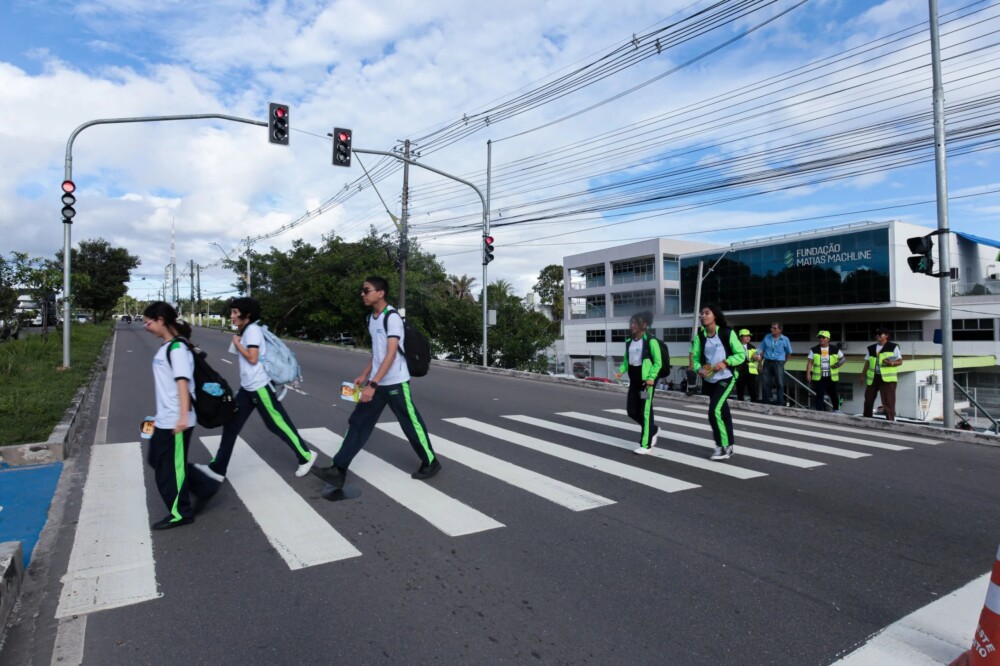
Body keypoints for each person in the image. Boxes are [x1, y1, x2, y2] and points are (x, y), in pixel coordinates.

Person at [312, 277, 439, 496]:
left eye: (366, 290)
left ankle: (431, 461)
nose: (362, 294)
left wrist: (373, 383)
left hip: (396, 382)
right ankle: (338, 469)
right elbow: (379, 353)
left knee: (410, 423)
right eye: (362, 290)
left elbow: (391, 354)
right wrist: (365, 374)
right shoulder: (372, 319)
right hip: (377, 382)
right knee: (358, 422)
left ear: (380, 293)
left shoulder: (392, 318)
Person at [196, 297, 316, 483]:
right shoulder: (245, 332)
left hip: (260, 387)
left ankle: (306, 456)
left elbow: (252, 358)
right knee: (231, 425)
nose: (232, 316)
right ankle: (218, 467)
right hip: (247, 389)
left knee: (277, 423)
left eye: (235, 312)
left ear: (247, 314)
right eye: (232, 312)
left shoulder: (252, 331)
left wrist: (237, 344)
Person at [142, 302, 220, 530]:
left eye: (148, 322)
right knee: (157, 460)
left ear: (160, 320)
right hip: (165, 417)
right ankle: (204, 485)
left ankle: (180, 513)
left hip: (177, 419)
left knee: (169, 470)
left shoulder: (176, 349)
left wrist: (183, 417)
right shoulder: (168, 346)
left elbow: (182, 383)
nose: (146, 326)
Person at [689, 304, 745, 461]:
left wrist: (726, 362)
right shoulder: (700, 336)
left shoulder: (727, 333)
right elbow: (696, 358)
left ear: (715, 316)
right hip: (710, 379)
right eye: (702, 314)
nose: (703, 316)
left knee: (714, 411)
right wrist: (700, 369)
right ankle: (730, 444)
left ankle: (722, 446)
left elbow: (741, 354)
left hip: (726, 377)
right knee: (723, 411)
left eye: (707, 313)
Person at [614, 311, 662, 455]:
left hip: (646, 384)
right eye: (632, 322)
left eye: (635, 322)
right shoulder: (629, 341)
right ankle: (652, 429)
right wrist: (620, 371)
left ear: (644, 325)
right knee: (631, 411)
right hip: (634, 382)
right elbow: (626, 361)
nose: (632, 325)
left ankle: (646, 444)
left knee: (645, 412)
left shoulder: (650, 341)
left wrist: (651, 378)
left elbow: (657, 362)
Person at [862, 327, 903, 422]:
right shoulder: (871, 348)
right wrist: (862, 375)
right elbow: (867, 362)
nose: (878, 336)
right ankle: (866, 418)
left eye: (880, 334)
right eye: (876, 334)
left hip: (887, 378)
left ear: (887, 336)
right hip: (873, 377)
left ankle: (890, 420)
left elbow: (900, 361)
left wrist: (891, 363)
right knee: (868, 399)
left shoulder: (893, 346)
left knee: (888, 400)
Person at [806, 330, 845, 413]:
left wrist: (836, 365)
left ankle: (836, 410)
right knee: (819, 395)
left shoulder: (835, 349)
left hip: (832, 376)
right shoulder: (814, 350)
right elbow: (810, 362)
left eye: (823, 337)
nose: (821, 339)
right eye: (819, 337)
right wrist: (808, 373)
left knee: (833, 394)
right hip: (819, 376)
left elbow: (843, 359)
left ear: (828, 339)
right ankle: (819, 411)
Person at [754, 321, 792, 406]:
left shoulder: (785, 339)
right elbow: (761, 348)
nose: (772, 329)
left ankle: (780, 403)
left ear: (780, 330)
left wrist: (783, 362)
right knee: (766, 383)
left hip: (779, 363)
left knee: (780, 383)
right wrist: (756, 354)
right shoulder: (767, 337)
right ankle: (766, 402)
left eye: (774, 328)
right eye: (771, 328)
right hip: (767, 362)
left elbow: (789, 353)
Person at [733, 328, 759, 402]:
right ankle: (739, 402)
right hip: (740, 370)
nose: (748, 337)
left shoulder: (752, 347)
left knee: (752, 388)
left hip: (750, 371)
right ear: (740, 337)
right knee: (740, 388)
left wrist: (757, 357)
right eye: (746, 336)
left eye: (749, 336)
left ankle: (754, 402)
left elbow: (758, 357)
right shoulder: (736, 346)